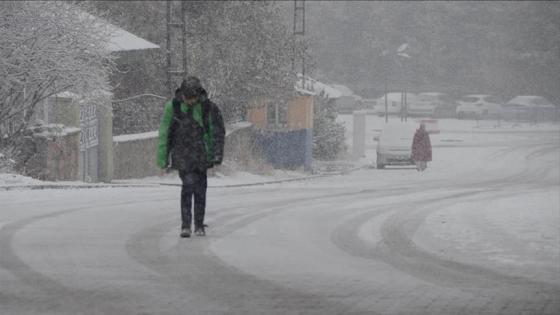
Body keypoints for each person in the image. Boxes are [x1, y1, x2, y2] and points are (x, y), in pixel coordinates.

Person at [157, 76, 225, 237]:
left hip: (202, 155)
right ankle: (186, 225)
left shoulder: (208, 108)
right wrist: (162, 160)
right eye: (187, 98)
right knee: (188, 186)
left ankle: (199, 224)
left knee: (200, 190)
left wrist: (217, 154)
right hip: (182, 154)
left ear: (198, 95)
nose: (189, 101)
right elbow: (164, 134)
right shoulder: (173, 107)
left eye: (192, 98)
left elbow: (218, 132)